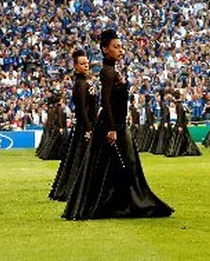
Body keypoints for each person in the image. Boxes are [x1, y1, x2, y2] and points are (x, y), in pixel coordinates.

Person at [63, 29, 173, 220]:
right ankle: (129, 204)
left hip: (117, 124)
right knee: (126, 164)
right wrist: (112, 128)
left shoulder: (111, 71)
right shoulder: (107, 72)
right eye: (116, 47)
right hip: (114, 126)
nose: (121, 50)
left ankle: (123, 203)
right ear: (105, 49)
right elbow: (105, 101)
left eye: (121, 46)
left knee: (114, 166)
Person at [51, 49, 96, 202]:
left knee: (78, 158)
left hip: (87, 124)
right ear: (75, 66)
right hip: (85, 126)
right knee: (81, 158)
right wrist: (89, 128)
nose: (86, 66)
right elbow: (82, 109)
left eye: (87, 63)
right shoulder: (80, 84)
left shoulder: (84, 82)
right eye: (82, 64)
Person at [165, 90, 201, 157]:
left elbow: (180, 116)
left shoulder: (178, 105)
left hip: (180, 124)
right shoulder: (179, 105)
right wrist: (180, 125)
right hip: (181, 124)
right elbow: (180, 116)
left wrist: (180, 125)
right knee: (183, 138)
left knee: (179, 138)